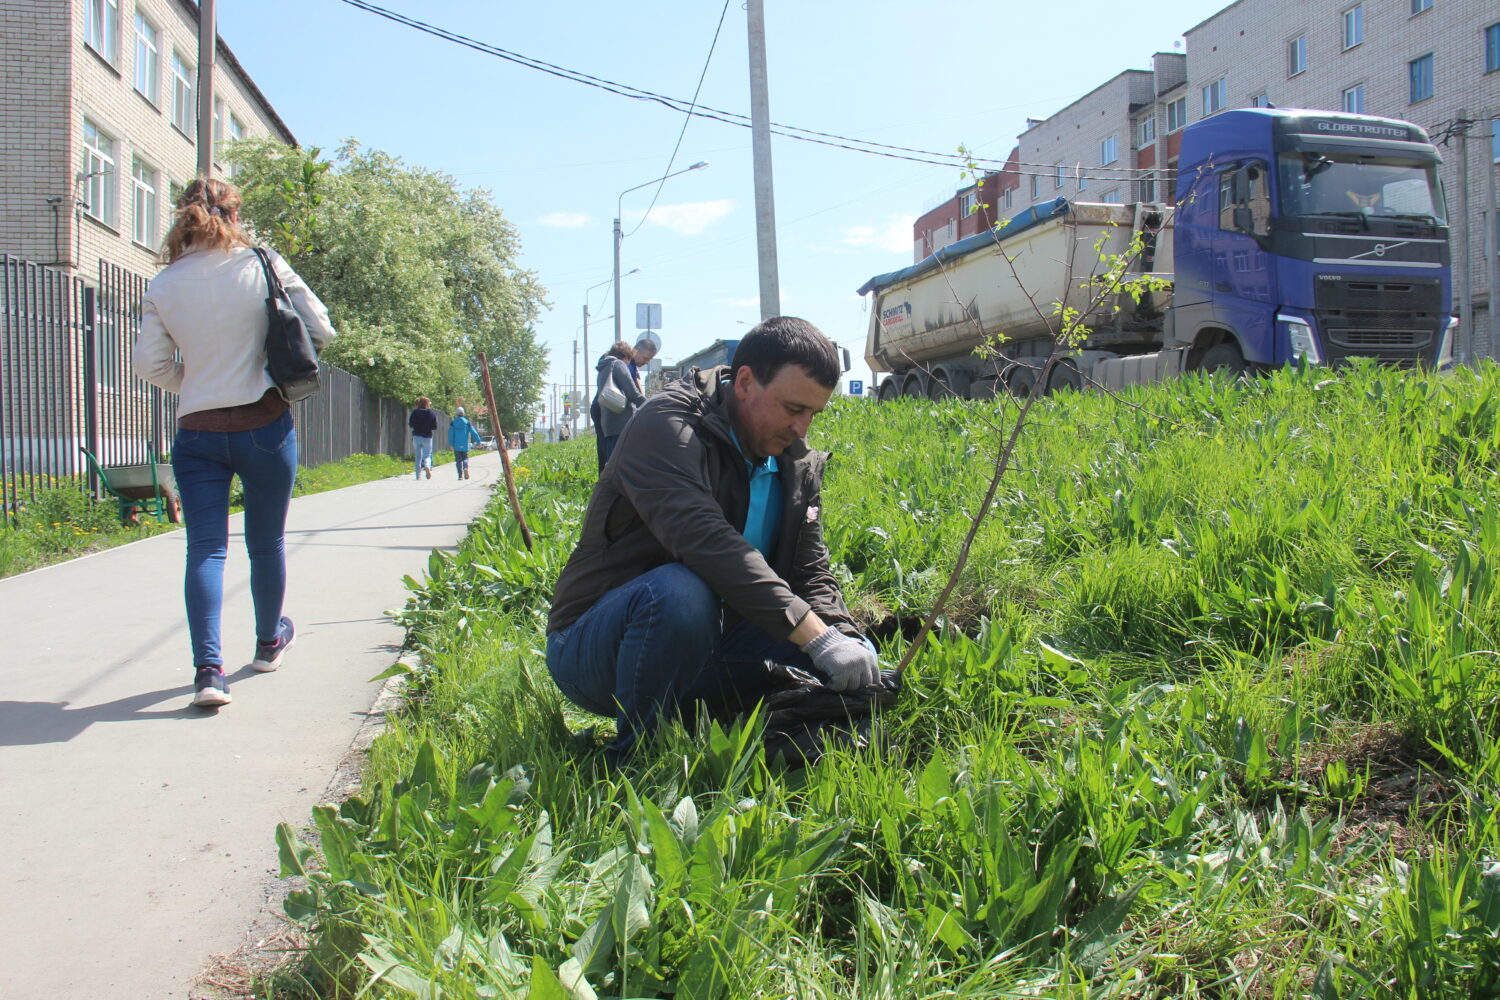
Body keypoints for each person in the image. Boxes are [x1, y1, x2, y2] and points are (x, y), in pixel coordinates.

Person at [546, 316, 876, 761]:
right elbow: (705, 540)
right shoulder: (668, 425)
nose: (803, 429)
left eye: (813, 414)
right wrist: (815, 636)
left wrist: (841, 636)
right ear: (744, 382)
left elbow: (809, 570)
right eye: (793, 409)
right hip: (597, 648)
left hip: (714, 646)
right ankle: (637, 759)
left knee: (859, 667)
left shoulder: (793, 460)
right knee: (682, 592)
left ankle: (745, 735)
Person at [133, 178, 336, 708]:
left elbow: (150, 365)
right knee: (265, 542)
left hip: (198, 430)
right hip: (265, 424)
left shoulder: (164, 283)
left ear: (185, 217)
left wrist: (198, 385)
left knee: (205, 547)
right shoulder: (262, 263)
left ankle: (208, 672)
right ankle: (269, 643)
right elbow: (322, 330)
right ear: (233, 213)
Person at [593, 340, 646, 471]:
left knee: (612, 463)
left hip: (608, 423)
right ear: (626, 356)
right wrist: (650, 405)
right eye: (630, 359)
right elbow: (632, 393)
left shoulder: (604, 366)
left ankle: (607, 490)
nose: (629, 363)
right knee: (621, 465)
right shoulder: (618, 365)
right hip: (621, 422)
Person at [448, 405, 482, 480]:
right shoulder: (467, 423)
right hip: (465, 445)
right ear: (463, 413)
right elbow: (474, 432)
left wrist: (451, 444)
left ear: (456, 414)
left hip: (457, 445)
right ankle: (465, 468)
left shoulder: (453, 423)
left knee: (458, 461)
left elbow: (451, 434)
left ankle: (460, 476)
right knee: (465, 458)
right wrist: (478, 441)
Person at [409, 396, 437, 479]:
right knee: (427, 455)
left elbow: (411, 424)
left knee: (418, 456)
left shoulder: (414, 412)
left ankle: (418, 476)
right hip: (427, 436)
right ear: (427, 404)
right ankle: (427, 466)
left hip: (416, 436)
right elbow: (434, 427)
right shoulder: (431, 413)